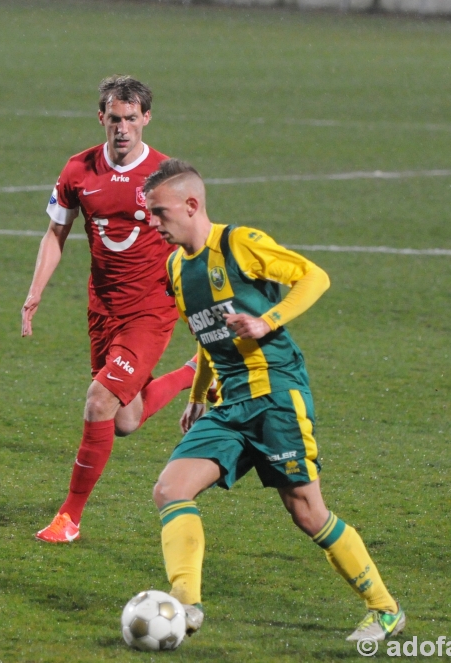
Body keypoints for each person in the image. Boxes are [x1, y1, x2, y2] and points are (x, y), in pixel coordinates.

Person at [143, 158, 406, 642]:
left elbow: (314, 276)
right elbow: (206, 336)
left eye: (159, 213)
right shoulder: (176, 269)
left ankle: (385, 608)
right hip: (228, 405)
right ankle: (186, 604)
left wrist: (268, 320)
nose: (153, 223)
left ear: (191, 205)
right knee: (169, 490)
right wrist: (199, 395)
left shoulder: (240, 244)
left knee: (307, 513)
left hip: (276, 396)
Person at [23, 76, 199, 544]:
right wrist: (35, 290)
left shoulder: (166, 176)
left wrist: (202, 298)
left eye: (131, 118)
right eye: (114, 119)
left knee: (99, 400)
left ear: (146, 118)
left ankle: (69, 517)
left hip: (152, 309)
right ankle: (195, 371)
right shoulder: (78, 170)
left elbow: (194, 240)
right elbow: (55, 233)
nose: (123, 128)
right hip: (102, 308)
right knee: (123, 419)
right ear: (102, 118)